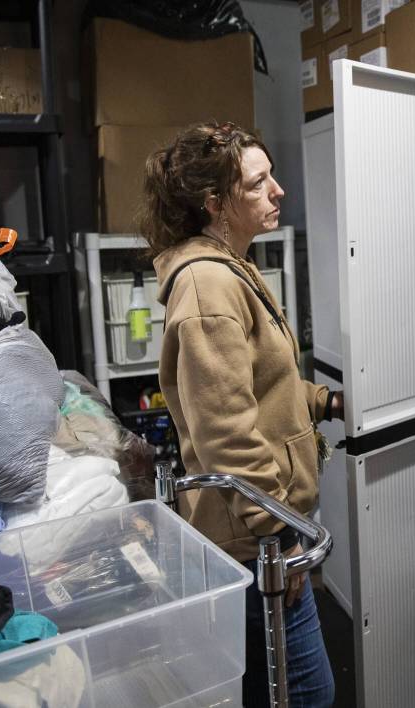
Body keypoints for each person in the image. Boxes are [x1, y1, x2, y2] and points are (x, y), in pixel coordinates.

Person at [141, 121, 340, 708]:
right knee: (307, 696)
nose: (278, 191)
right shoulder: (208, 288)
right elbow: (226, 435)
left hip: (264, 536)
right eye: (258, 183)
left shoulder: (234, 268)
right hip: (253, 546)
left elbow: (260, 389)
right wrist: (280, 538)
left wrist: (326, 402)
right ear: (215, 204)